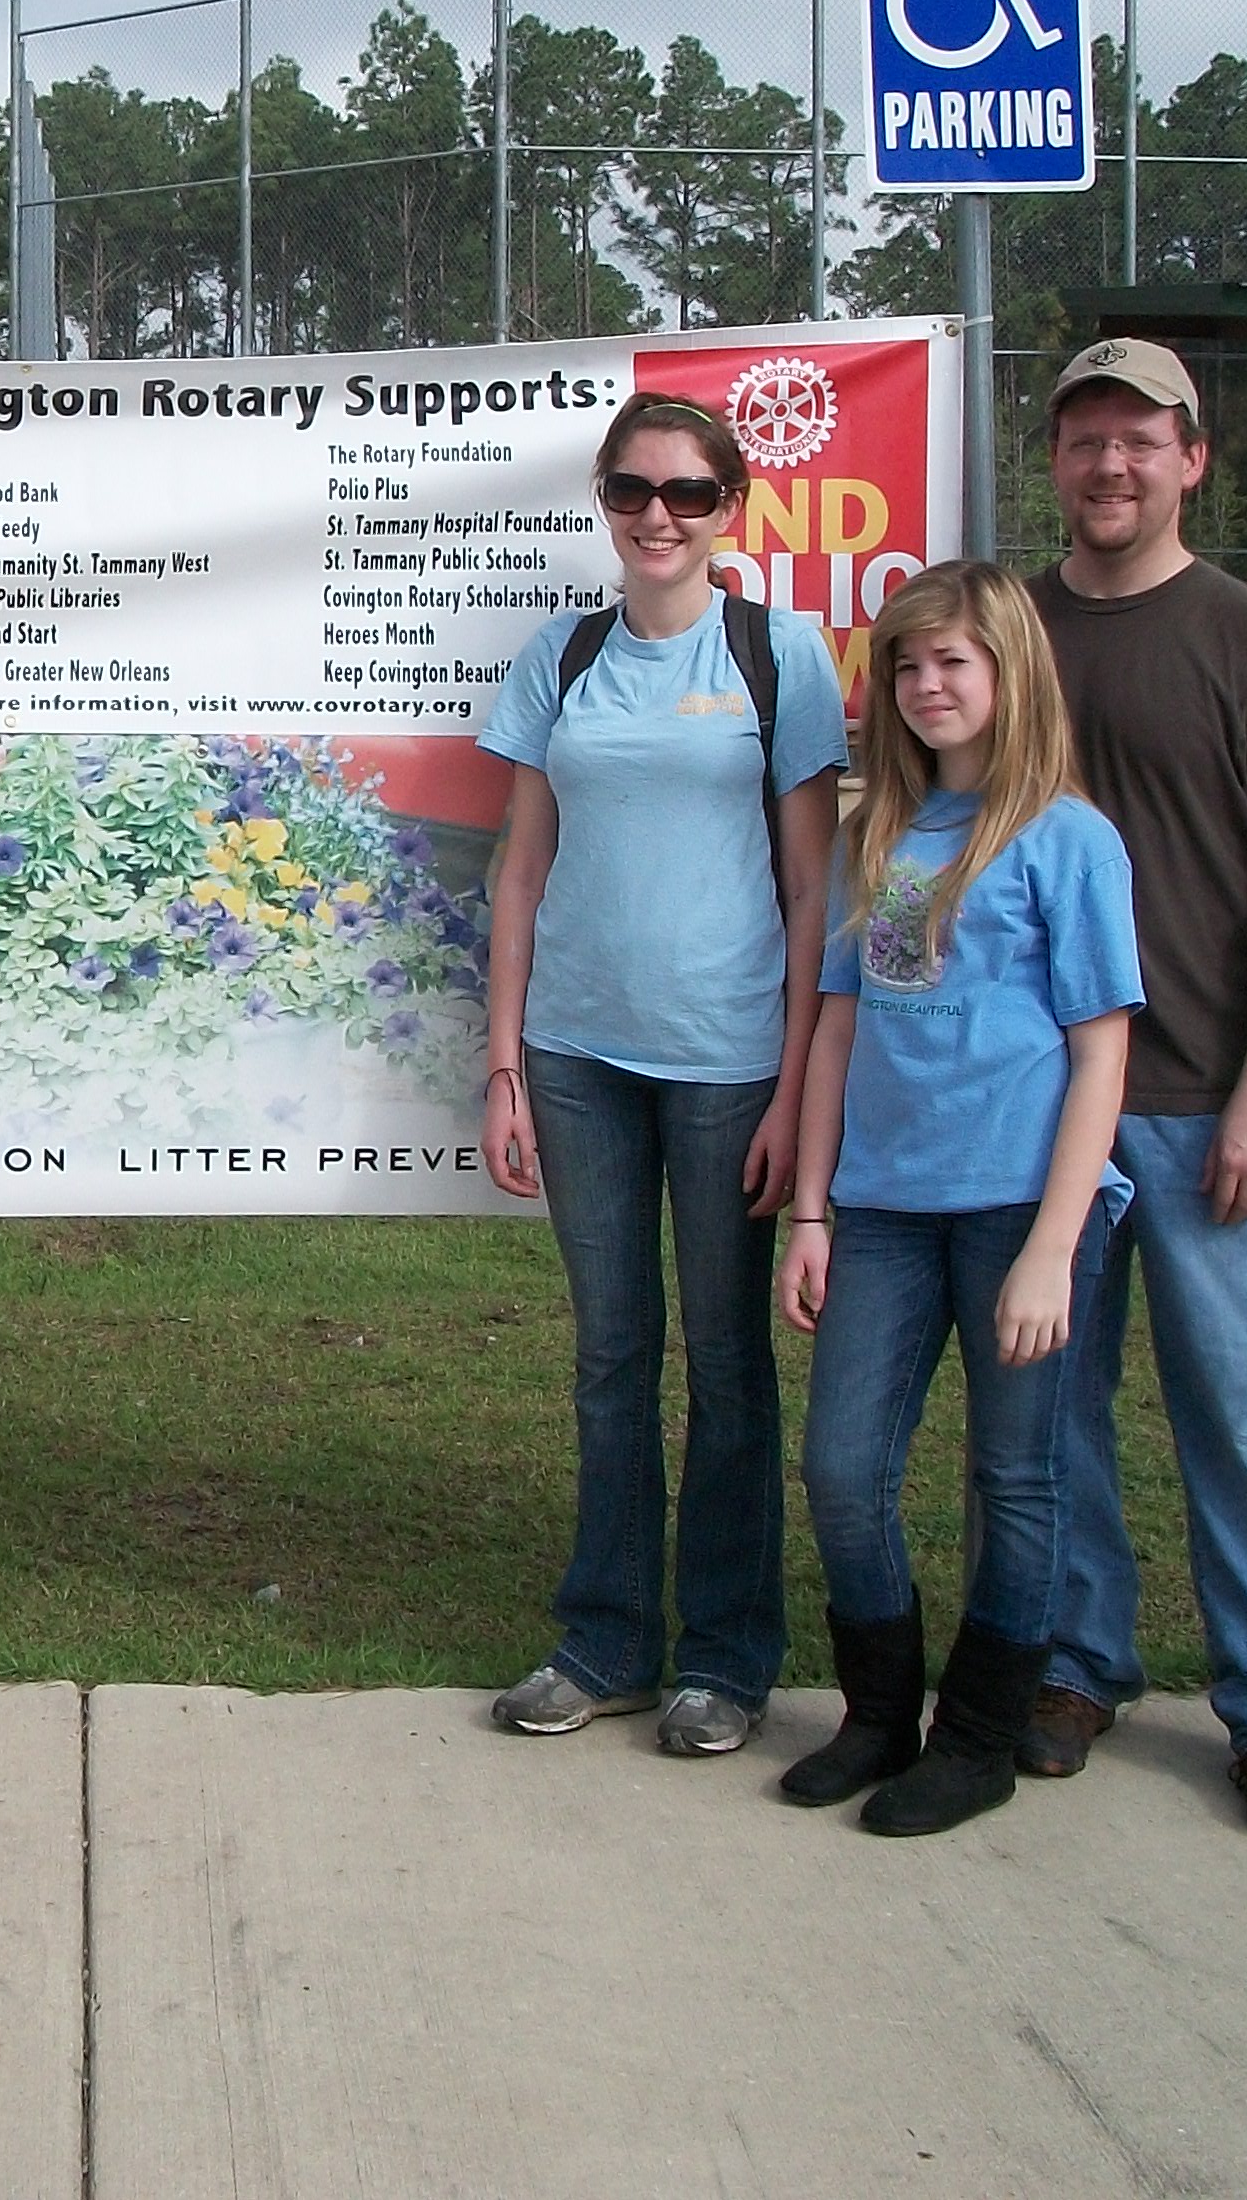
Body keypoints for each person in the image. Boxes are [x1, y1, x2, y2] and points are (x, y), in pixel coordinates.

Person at [1026, 336, 1247, 1835]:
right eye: (1087, 439)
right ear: (1056, 462)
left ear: (1193, 459)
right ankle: (1079, 1658)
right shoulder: (1011, 632)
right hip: (1033, 1113)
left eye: (1140, 441)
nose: (1112, 465)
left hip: (1202, 1100)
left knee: (1240, 1411)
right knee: (1053, 1415)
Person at [478, 392, 845, 1757]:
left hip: (731, 1063)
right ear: (604, 499)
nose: (658, 517)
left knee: (730, 1366)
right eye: (633, 489)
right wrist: (507, 1062)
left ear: (729, 510)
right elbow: (519, 871)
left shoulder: (777, 653)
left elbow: (816, 890)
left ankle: (727, 1661)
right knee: (612, 1357)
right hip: (577, 1059)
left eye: (688, 494)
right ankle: (606, 1641)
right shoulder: (563, 656)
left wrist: (801, 1086)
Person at [777, 561, 1139, 1835]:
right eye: (908, 665)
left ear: (1008, 675)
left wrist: (1053, 1243)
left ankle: (979, 1734)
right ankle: (877, 1715)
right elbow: (836, 1027)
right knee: (841, 1467)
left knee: (1016, 1478)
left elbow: (1101, 1050)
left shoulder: (1066, 838)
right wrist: (811, 1209)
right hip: (879, 1206)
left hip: (1018, 1211)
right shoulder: (883, 833)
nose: (929, 687)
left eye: (956, 664)